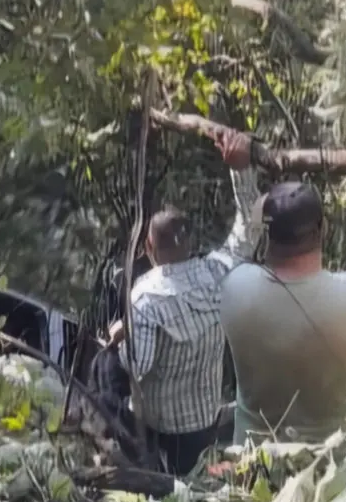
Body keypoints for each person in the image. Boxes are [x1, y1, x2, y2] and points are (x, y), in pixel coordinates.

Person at [105, 129, 262, 474]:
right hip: (202, 421)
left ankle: (125, 457)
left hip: (158, 424)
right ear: (190, 244)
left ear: (148, 248)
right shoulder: (220, 273)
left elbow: (137, 367)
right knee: (191, 483)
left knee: (106, 372)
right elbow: (249, 227)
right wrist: (241, 170)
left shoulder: (145, 298)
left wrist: (119, 340)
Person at [221, 182, 346, 444]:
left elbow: (243, 254)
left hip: (255, 465)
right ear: (323, 229)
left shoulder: (233, 288)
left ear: (266, 235)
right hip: (338, 465)